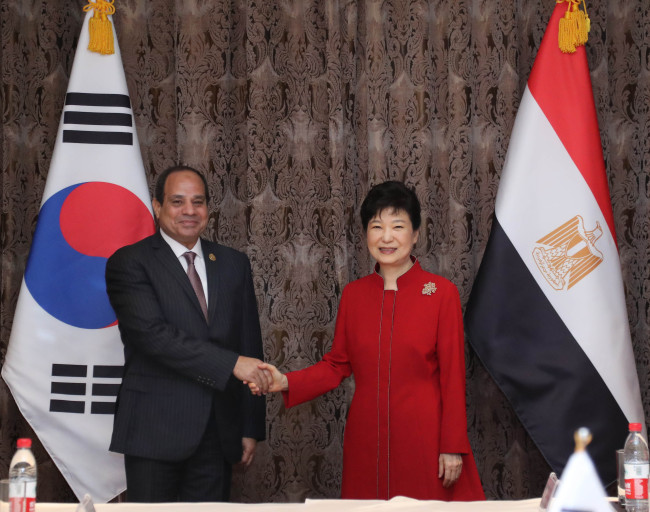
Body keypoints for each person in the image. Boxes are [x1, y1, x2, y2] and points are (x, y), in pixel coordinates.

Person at [251, 181, 485, 501]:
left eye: (398, 226)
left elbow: (454, 378)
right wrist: (286, 382)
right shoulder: (354, 295)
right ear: (366, 235)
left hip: (425, 438)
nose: (386, 237)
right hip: (367, 439)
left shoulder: (440, 293)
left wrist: (452, 446)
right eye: (376, 226)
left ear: (415, 234)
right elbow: (336, 365)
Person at [105, 165, 269, 502]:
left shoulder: (232, 263)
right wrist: (231, 364)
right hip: (154, 430)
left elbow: (249, 343)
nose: (189, 211)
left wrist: (250, 426)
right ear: (157, 207)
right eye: (177, 202)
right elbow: (153, 336)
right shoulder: (130, 262)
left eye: (198, 202)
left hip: (217, 432)